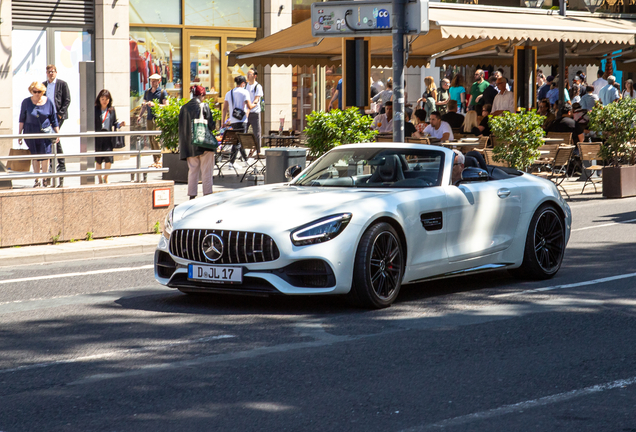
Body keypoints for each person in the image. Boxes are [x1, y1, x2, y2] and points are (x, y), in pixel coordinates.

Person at [18, 82, 59, 187]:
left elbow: (54, 119)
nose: (36, 94)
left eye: (39, 92)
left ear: (43, 91)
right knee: (35, 156)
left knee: (45, 156)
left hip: (45, 132)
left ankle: (45, 179)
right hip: (30, 131)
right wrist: (19, 134)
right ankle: (37, 180)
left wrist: (57, 133)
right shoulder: (26, 102)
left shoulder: (48, 102)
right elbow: (22, 119)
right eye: (34, 91)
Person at [179, 85, 216, 199]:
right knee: (206, 171)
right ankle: (207, 195)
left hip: (189, 146)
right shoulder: (204, 106)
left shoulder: (183, 108)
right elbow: (211, 125)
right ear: (201, 95)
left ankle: (192, 195)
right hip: (204, 144)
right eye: (204, 96)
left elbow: (181, 128)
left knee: (192, 171)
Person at [43, 64, 71, 186]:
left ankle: (61, 164)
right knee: (51, 139)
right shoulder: (43, 85)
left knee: (54, 138)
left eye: (53, 71)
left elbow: (67, 99)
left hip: (57, 116)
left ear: (56, 72)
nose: (51, 73)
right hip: (47, 116)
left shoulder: (62, 84)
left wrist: (60, 114)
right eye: (49, 71)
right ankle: (55, 164)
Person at [222, 75, 256, 168]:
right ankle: (232, 162)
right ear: (243, 83)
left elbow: (224, 108)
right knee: (239, 141)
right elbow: (249, 106)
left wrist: (223, 121)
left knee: (238, 141)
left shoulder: (229, 93)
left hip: (233, 120)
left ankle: (245, 160)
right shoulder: (245, 92)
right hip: (242, 120)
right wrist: (255, 103)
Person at [138, 73, 168, 167]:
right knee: (151, 139)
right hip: (149, 118)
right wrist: (140, 115)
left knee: (156, 138)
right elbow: (144, 105)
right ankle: (155, 160)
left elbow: (166, 106)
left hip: (158, 118)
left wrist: (155, 105)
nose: (152, 82)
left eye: (154, 81)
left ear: (159, 81)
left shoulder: (162, 92)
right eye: (151, 81)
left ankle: (159, 159)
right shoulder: (147, 92)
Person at [94, 89, 124, 184]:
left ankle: (105, 176)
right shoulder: (95, 110)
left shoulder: (111, 110)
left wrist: (120, 124)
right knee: (98, 160)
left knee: (109, 159)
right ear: (99, 99)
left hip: (108, 137)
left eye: (106, 99)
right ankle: (99, 179)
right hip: (98, 137)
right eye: (102, 99)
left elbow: (114, 122)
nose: (104, 101)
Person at [246, 68, 263, 156]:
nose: (248, 75)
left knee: (257, 133)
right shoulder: (245, 86)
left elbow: (257, 99)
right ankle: (244, 152)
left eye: (250, 74)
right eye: (247, 73)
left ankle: (258, 152)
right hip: (246, 113)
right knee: (243, 132)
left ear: (255, 76)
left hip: (255, 112)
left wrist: (250, 107)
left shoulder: (258, 86)